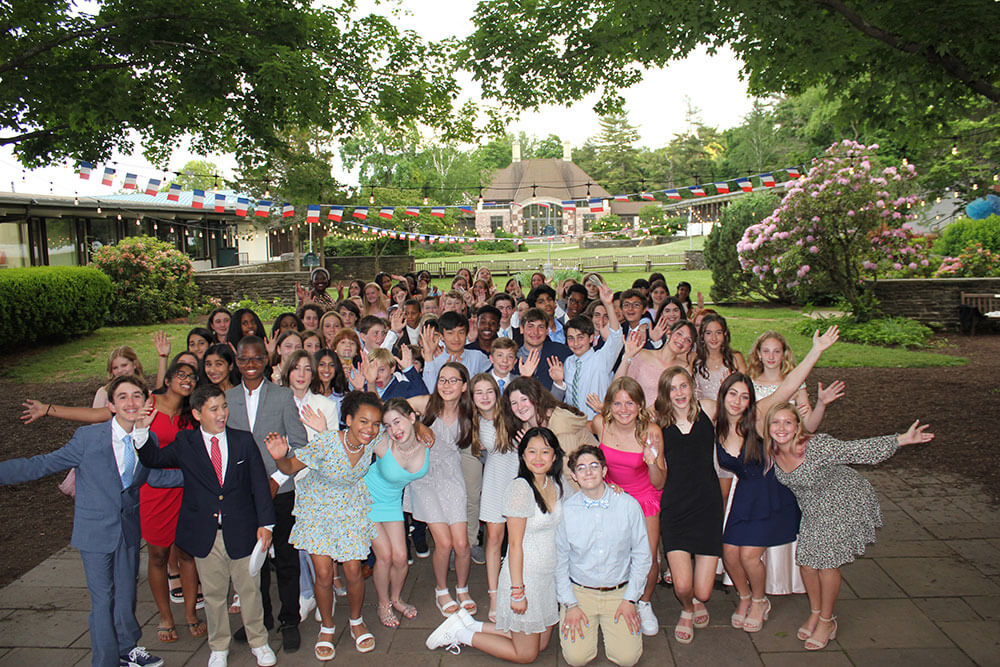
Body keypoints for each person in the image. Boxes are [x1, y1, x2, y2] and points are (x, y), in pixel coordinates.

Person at [1, 375, 166, 667]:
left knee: (126, 595)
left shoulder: (147, 438)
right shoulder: (88, 438)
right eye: (123, 397)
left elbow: (156, 475)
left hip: (127, 531)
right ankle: (104, 661)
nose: (131, 402)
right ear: (112, 405)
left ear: (147, 401)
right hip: (95, 532)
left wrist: (209, 479)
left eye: (137, 396)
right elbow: (44, 463)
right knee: (103, 600)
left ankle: (127, 649)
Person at [768, 402, 933, 650]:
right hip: (814, 508)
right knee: (806, 562)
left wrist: (900, 440)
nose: (781, 428)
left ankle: (827, 620)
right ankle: (815, 612)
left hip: (843, 500)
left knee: (826, 563)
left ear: (797, 427)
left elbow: (856, 450)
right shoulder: (771, 451)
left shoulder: (816, 446)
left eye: (788, 422)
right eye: (775, 422)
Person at [135, 383, 277, 667]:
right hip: (206, 533)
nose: (222, 413)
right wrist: (141, 430)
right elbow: (154, 458)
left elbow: (259, 484)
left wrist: (267, 525)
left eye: (223, 406)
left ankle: (259, 642)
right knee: (213, 594)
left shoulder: (242, 440)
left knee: (249, 590)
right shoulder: (185, 443)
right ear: (198, 414)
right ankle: (219, 647)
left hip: (242, 529)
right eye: (214, 409)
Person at [716, 370, 843, 633]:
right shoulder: (716, 424)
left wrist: (816, 352)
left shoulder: (758, 417)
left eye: (744, 396)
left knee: (749, 557)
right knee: (729, 555)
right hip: (745, 496)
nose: (737, 401)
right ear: (723, 395)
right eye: (732, 394)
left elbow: (787, 388)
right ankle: (744, 597)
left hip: (772, 494)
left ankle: (761, 601)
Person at [426, 427, 564, 663]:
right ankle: (458, 634)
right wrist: (517, 592)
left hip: (546, 577)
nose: (538, 458)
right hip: (525, 577)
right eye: (531, 452)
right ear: (522, 456)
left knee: (541, 645)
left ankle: (470, 623)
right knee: (527, 654)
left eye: (545, 451)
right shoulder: (520, 489)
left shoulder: (555, 484)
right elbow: (515, 545)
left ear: (554, 456)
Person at [265, 391, 385, 658]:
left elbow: (402, 417)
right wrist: (279, 456)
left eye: (375, 423)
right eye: (363, 422)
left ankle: (356, 621)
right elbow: (289, 468)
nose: (370, 428)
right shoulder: (327, 443)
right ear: (349, 420)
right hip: (318, 507)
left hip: (350, 506)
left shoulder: (373, 437)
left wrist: (421, 426)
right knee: (322, 572)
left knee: (354, 569)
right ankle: (327, 626)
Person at [226, 335, 308, 652]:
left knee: (286, 559)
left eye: (256, 358)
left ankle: (290, 620)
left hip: (280, 489)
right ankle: (259, 621)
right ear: (237, 362)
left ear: (267, 358)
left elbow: (300, 445)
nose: (250, 365)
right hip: (244, 495)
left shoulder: (283, 396)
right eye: (244, 359)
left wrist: (276, 477)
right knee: (252, 564)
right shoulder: (228, 399)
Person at [556, 445, 651, 667]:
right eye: (581, 468)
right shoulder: (566, 511)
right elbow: (560, 561)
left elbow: (642, 555)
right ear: (574, 476)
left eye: (594, 466)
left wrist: (630, 599)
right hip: (581, 594)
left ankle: (616, 626)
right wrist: (570, 604)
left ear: (604, 471)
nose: (588, 472)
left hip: (618, 593)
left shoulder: (628, 506)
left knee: (627, 659)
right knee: (576, 659)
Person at [587, 377, 665, 636]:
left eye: (629, 403)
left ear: (640, 405)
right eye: (617, 403)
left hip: (644, 499)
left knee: (648, 557)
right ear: (608, 406)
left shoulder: (651, 431)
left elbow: (660, 480)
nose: (623, 409)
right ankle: (615, 600)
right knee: (612, 554)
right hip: (613, 497)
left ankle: (643, 602)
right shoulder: (601, 425)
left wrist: (652, 462)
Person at [404, 363, 477, 617]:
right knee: (444, 543)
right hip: (425, 476)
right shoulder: (426, 404)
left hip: (452, 477)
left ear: (464, 386)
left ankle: (463, 588)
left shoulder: (469, 411)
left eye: (453, 380)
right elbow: (391, 409)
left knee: (462, 544)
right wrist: (417, 426)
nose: (446, 385)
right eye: (442, 380)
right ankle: (441, 589)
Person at [141, 361, 205, 644]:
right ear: (167, 379)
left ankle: (190, 613)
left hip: (185, 490)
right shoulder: (148, 405)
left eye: (192, 377)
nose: (187, 380)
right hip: (154, 491)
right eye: (181, 375)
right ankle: (166, 616)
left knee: (187, 554)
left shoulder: (191, 415)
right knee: (157, 555)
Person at [365, 398, 431, 627]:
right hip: (365, 499)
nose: (394, 430)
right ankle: (383, 604)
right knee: (384, 556)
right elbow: (367, 419)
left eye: (397, 422)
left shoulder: (426, 441)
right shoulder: (383, 442)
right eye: (388, 425)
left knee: (402, 558)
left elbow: (433, 401)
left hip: (392, 502)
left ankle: (396, 598)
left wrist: (422, 426)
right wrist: (371, 383)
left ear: (412, 418)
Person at [497, 376, 596, 484]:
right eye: (514, 403)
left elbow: (567, 472)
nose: (520, 407)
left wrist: (534, 449)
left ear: (535, 398)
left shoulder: (561, 423)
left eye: (524, 399)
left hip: (582, 487)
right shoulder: (526, 428)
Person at [561, 282, 623, 418]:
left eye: (580, 337)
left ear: (591, 338)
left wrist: (608, 304)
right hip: (574, 423)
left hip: (596, 422)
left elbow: (616, 338)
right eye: (571, 338)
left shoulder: (601, 359)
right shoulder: (569, 362)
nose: (576, 343)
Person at [420, 311, 490, 388]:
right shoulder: (434, 364)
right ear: (442, 336)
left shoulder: (477, 357)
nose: (456, 338)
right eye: (450, 333)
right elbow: (431, 391)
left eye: (461, 333)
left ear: (466, 334)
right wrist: (428, 355)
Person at [693, 314, 746, 401]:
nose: (714, 338)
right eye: (708, 333)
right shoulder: (694, 359)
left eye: (718, 333)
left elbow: (746, 389)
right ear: (702, 335)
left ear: (725, 334)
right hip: (704, 410)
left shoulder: (736, 358)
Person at [517, 308, 571, 391]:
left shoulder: (561, 352)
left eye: (541, 327)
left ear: (547, 331)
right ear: (521, 329)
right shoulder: (512, 357)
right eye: (530, 326)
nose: (535, 332)